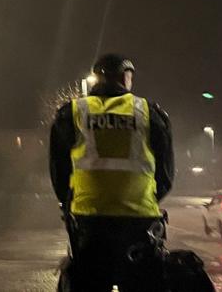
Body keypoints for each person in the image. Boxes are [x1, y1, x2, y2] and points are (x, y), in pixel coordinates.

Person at [49, 53, 174, 291]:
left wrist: (70, 204)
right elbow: (166, 174)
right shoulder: (149, 113)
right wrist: (146, 198)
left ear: (97, 79)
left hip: (90, 223)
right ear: (125, 78)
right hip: (140, 223)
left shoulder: (72, 112)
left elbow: (59, 171)